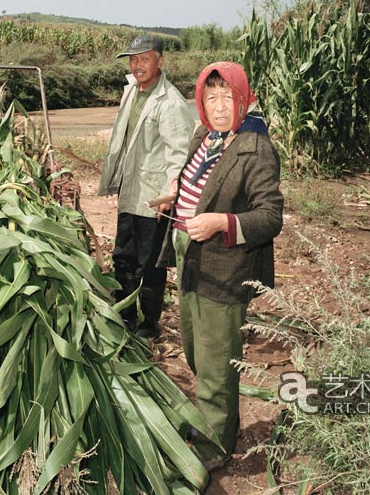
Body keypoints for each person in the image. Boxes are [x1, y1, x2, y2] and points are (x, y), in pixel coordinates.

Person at [157, 61, 283, 481]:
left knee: (216, 361)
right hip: (192, 260)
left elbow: (270, 216)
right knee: (195, 349)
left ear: (242, 98)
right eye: (211, 97)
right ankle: (210, 419)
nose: (219, 106)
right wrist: (175, 197)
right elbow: (199, 186)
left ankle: (215, 445)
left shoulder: (255, 148)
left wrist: (221, 223)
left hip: (225, 268)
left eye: (227, 97)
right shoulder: (204, 136)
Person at [98, 34, 194, 338]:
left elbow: (179, 154)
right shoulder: (132, 91)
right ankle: (123, 315)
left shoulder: (171, 102)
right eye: (133, 59)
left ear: (160, 61)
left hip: (154, 199)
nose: (137, 65)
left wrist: (170, 194)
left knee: (149, 264)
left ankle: (148, 326)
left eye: (144, 58)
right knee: (123, 257)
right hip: (131, 191)